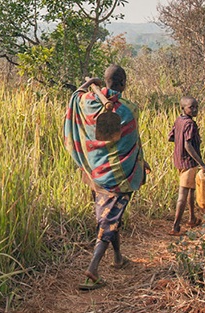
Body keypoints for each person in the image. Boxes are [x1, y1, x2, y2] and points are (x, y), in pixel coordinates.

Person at [63, 64, 149, 291]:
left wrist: (91, 82)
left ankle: (118, 257)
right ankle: (93, 269)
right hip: (118, 177)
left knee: (111, 216)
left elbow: (75, 96)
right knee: (109, 221)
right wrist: (140, 161)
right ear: (123, 84)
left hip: (96, 172)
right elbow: (131, 142)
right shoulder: (128, 110)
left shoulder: (87, 103)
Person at [167, 96, 205, 235]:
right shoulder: (190, 124)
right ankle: (175, 227)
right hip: (189, 162)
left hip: (180, 160)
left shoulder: (179, 120)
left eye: (196, 107)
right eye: (191, 107)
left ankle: (192, 218)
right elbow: (188, 145)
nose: (195, 110)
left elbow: (172, 137)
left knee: (191, 190)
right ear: (183, 108)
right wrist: (202, 164)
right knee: (183, 194)